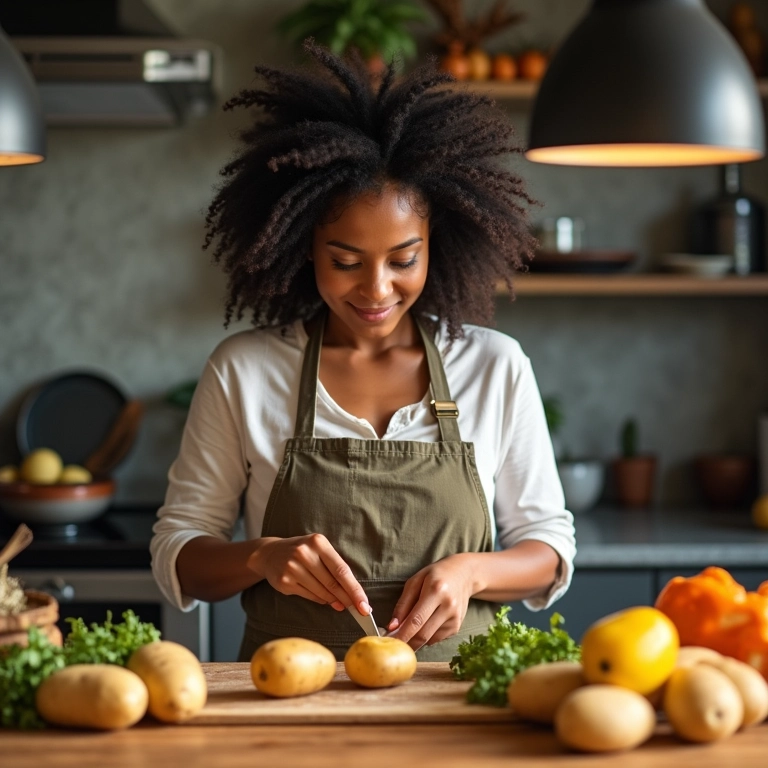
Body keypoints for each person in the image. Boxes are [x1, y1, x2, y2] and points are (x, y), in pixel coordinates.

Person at [151, 41, 576, 662]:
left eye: (404, 259)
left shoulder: (494, 365)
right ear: (302, 247)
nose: (377, 290)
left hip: (461, 710)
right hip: (288, 709)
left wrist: (472, 574)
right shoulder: (245, 370)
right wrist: (262, 556)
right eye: (345, 261)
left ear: (439, 244)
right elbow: (179, 555)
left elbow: (548, 548)